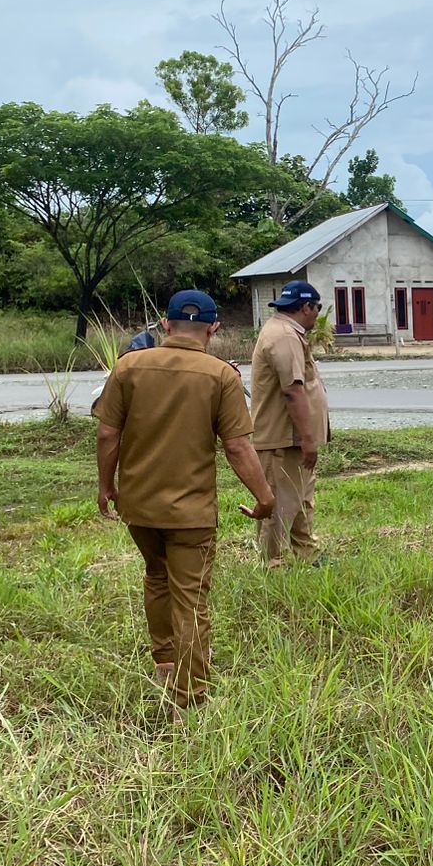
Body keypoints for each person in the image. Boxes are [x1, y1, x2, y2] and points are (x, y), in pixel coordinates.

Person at [95, 290, 275, 713]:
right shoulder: (220, 376)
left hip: (138, 506)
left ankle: (165, 662)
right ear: (213, 328)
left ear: (165, 323)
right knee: (191, 600)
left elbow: (107, 434)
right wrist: (265, 498)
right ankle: (189, 698)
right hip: (190, 512)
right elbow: (237, 447)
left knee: (156, 578)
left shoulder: (128, 367)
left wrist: (106, 486)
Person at [250, 280, 330, 567]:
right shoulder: (284, 336)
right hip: (282, 438)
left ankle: (308, 555)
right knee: (280, 506)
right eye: (317, 308)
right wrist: (308, 439)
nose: (318, 314)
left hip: (291, 438)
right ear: (306, 307)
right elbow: (292, 390)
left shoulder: (287, 331)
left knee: (300, 499)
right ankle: (273, 565)